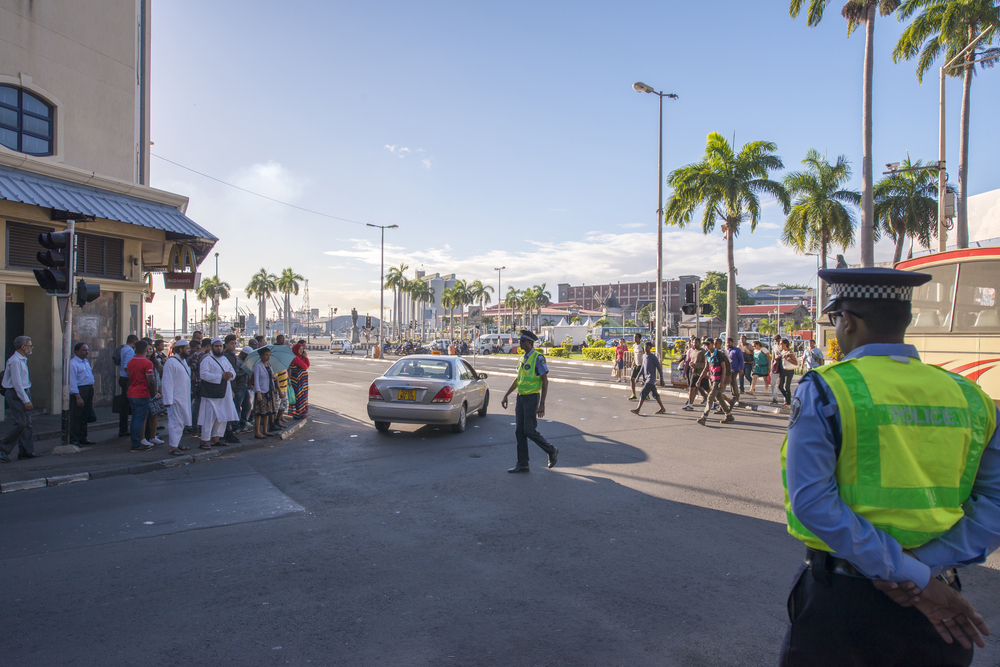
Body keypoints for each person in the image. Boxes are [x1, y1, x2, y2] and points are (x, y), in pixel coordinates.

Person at [779, 267, 1000, 666]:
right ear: (906, 319)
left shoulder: (827, 388)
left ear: (848, 321)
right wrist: (922, 574)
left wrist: (906, 574)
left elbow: (812, 501)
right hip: (938, 603)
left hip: (842, 604)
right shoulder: (971, 396)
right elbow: (994, 503)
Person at [501, 329, 558, 473]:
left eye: (522, 341)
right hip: (521, 398)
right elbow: (518, 379)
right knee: (519, 432)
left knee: (529, 430)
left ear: (530, 342)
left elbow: (545, 381)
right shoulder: (522, 358)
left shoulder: (538, 358)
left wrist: (542, 403)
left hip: (532, 398)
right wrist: (506, 394)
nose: (520, 343)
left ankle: (551, 450)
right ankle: (522, 463)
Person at [197, 338, 238, 450]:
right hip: (211, 394)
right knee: (209, 418)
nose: (218, 348)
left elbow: (233, 371)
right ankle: (204, 440)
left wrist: (230, 375)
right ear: (211, 347)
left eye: (220, 346)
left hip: (224, 393)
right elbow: (204, 375)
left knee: (222, 417)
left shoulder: (224, 359)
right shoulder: (207, 359)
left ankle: (216, 439)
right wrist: (220, 377)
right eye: (216, 346)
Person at [1, 336, 36, 461]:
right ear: (23, 347)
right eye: (29, 346)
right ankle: (3, 449)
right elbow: (17, 383)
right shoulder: (15, 361)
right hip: (16, 394)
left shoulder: (22, 360)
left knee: (27, 423)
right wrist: (26, 400)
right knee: (21, 423)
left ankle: (26, 451)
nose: (31, 348)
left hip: (23, 391)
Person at [161, 339, 192, 456]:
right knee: (175, 422)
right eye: (187, 348)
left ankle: (176, 443)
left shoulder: (183, 361)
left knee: (181, 422)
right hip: (175, 398)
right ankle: (173, 447)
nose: (189, 350)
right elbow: (167, 382)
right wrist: (168, 400)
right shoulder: (171, 362)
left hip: (183, 397)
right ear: (180, 349)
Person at [126, 339, 156, 452]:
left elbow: (129, 378)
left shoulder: (130, 362)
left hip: (132, 392)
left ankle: (135, 441)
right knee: (140, 419)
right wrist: (152, 392)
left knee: (134, 418)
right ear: (145, 350)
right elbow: (150, 381)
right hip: (142, 393)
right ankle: (136, 444)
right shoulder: (147, 363)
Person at [696, 338, 734, 425]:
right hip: (712, 379)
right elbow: (706, 368)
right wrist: (699, 379)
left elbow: (724, 368)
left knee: (710, 397)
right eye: (705, 345)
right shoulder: (708, 354)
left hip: (718, 380)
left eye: (708, 344)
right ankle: (728, 415)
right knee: (719, 397)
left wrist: (722, 381)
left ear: (712, 344)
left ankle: (704, 417)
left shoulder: (719, 354)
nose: (706, 346)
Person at [68, 342, 96, 446]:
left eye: (87, 350)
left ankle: (83, 437)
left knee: (85, 414)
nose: (86, 352)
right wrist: (77, 396)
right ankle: (74, 439)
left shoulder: (86, 362)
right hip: (80, 390)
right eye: (84, 350)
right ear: (76, 352)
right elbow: (72, 381)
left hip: (88, 388)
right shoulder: (73, 363)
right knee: (76, 415)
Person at [630, 341, 666, 416]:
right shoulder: (644, 356)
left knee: (643, 392)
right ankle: (662, 408)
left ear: (650, 348)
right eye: (645, 346)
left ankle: (638, 409)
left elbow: (659, 368)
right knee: (654, 393)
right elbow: (643, 368)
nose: (646, 348)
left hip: (651, 378)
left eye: (647, 347)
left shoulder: (653, 357)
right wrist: (638, 376)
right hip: (646, 378)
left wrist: (661, 378)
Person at [251, 347, 277, 438]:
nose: (268, 357)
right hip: (261, 391)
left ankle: (265, 430)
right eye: (266, 355)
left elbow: (272, 376)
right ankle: (257, 432)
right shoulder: (258, 366)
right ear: (261, 356)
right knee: (259, 413)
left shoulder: (269, 365)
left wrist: (273, 376)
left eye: (269, 355)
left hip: (269, 390)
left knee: (267, 412)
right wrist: (258, 392)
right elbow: (256, 380)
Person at [222, 335, 244, 441]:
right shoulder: (226, 356)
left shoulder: (232, 355)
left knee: (232, 409)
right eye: (232, 343)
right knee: (229, 410)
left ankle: (229, 431)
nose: (234, 345)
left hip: (233, 385)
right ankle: (228, 432)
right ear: (226, 345)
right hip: (229, 386)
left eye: (235, 343)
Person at [116, 334, 138, 437]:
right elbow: (127, 366)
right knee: (126, 405)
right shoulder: (129, 351)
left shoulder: (123, 348)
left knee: (124, 404)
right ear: (134, 342)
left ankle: (123, 427)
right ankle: (124, 428)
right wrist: (133, 377)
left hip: (122, 377)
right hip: (126, 379)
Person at [188, 338, 211, 435]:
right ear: (208, 346)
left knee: (196, 405)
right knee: (203, 407)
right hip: (203, 383)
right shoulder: (205, 356)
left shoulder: (194, 354)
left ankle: (194, 427)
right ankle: (201, 427)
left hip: (195, 382)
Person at [683, 338, 709, 411]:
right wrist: (690, 365)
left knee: (708, 389)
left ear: (699, 343)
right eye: (694, 342)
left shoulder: (703, 352)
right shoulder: (692, 351)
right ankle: (690, 404)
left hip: (702, 374)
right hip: (694, 373)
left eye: (696, 342)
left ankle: (715, 402)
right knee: (692, 388)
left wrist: (695, 365)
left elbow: (705, 364)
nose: (695, 344)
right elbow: (690, 361)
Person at [288, 342, 310, 419]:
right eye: (299, 349)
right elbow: (305, 366)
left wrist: (305, 357)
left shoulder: (300, 357)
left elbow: (308, 365)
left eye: (302, 349)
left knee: (302, 396)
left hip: (302, 381)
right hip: (297, 381)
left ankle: (302, 412)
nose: (301, 351)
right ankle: (298, 413)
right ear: (296, 349)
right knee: (298, 396)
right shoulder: (295, 358)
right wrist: (305, 358)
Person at [235, 346, 254, 431]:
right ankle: (236, 425)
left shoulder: (244, 361)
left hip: (244, 386)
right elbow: (235, 375)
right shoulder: (237, 361)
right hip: (238, 387)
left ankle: (243, 422)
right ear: (243, 354)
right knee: (237, 407)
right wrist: (245, 371)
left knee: (247, 406)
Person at [777, 339, 797, 408]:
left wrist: (788, 358)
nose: (780, 345)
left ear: (785, 344)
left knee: (786, 387)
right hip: (782, 371)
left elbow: (796, 363)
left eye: (781, 343)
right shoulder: (781, 352)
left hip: (789, 371)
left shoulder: (790, 352)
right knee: (780, 386)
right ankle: (787, 399)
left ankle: (788, 403)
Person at [726, 338, 744, 405]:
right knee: (730, 382)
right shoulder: (727, 351)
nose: (728, 344)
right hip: (729, 369)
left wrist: (741, 368)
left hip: (735, 368)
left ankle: (736, 397)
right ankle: (734, 395)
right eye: (727, 342)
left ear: (732, 342)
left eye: (729, 342)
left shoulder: (737, 350)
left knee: (733, 381)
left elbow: (741, 359)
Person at [628, 333, 644, 400]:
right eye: (634, 337)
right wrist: (633, 364)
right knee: (632, 379)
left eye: (636, 337)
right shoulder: (634, 345)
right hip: (637, 365)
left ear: (639, 338)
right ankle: (633, 394)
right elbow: (635, 356)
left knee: (645, 381)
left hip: (643, 365)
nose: (634, 339)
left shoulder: (642, 345)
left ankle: (646, 394)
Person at [770, 334, 784, 404]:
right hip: (776, 365)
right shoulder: (774, 347)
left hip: (783, 366)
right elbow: (773, 357)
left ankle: (786, 399)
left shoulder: (784, 346)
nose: (777, 343)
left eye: (778, 341)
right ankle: (775, 398)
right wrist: (771, 367)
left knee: (782, 384)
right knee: (773, 383)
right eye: (776, 341)